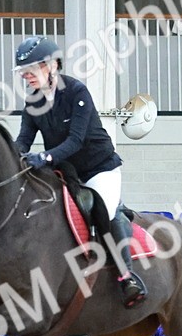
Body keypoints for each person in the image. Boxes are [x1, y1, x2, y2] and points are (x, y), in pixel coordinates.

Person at [12, 35, 146, 308]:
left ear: (51, 66)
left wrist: (44, 156)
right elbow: (23, 140)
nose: (27, 76)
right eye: (24, 72)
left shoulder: (76, 92)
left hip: (100, 169)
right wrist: (10, 156)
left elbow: (76, 141)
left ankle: (127, 276)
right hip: (68, 172)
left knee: (105, 212)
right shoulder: (33, 101)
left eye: (32, 69)